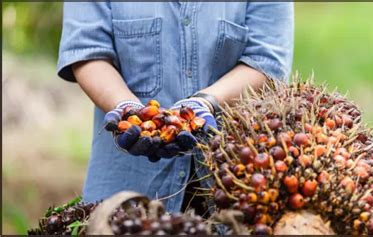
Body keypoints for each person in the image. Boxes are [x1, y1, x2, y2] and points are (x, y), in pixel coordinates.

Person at [57, 2, 294, 213]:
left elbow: (266, 61)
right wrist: (126, 108)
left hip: (230, 183)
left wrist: (206, 102)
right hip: (127, 187)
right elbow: (87, 52)